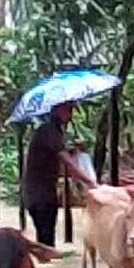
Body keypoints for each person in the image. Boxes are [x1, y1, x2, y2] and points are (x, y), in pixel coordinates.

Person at [21, 101, 98, 248]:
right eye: (68, 110)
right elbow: (66, 161)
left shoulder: (54, 132)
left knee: (47, 234)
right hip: (39, 194)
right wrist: (90, 181)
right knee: (45, 240)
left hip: (44, 192)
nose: (70, 115)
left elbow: (59, 158)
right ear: (57, 110)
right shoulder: (49, 131)